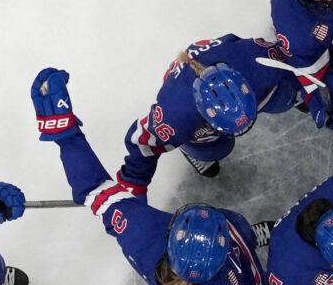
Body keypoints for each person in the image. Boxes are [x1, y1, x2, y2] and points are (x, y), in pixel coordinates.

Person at [29, 67, 333, 285]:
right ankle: (249, 239)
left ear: (174, 233)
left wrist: (63, 131)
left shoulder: (140, 231)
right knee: (254, 279)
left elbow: (93, 187)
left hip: (218, 264)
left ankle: (248, 235)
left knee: (238, 228)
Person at [116, 35, 302, 189]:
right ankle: (189, 147)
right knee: (216, 149)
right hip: (185, 95)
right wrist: (133, 183)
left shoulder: (257, 62)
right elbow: (143, 141)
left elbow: (293, 59)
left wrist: (307, 91)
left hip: (232, 58)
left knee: (284, 97)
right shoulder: (177, 115)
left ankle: (292, 97)